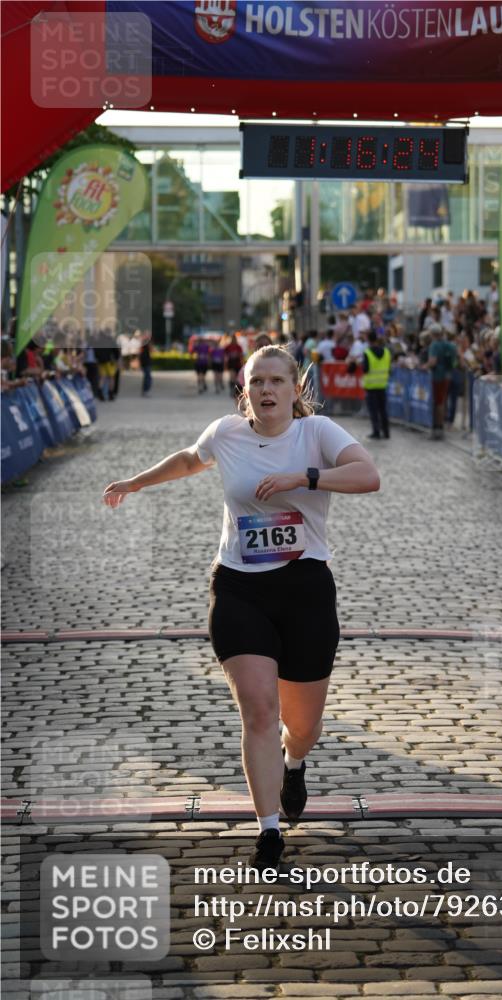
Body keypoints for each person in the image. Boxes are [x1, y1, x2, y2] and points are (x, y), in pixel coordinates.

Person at [102, 346, 380, 873]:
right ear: (245, 388)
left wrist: (306, 478)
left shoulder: (316, 435)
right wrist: (136, 482)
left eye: (277, 381)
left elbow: (369, 476)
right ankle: (268, 832)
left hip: (304, 592)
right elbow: (190, 459)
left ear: (295, 389)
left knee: (302, 727)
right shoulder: (227, 432)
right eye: (258, 382)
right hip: (239, 588)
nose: (267, 390)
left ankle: (294, 763)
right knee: (258, 711)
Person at [427, 324, 456, 440]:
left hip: (437, 377)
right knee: (442, 402)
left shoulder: (434, 345)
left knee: (438, 402)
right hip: (447, 376)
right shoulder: (449, 345)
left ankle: (438, 428)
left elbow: (432, 362)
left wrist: (425, 366)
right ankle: (440, 427)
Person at [362, 330, 392, 440]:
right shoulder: (386, 352)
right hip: (383, 385)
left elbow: (365, 369)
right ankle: (386, 432)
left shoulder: (367, 353)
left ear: (368, 340)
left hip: (371, 387)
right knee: (383, 410)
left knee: (374, 411)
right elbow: (389, 368)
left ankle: (376, 432)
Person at [139, 332, 152, 397]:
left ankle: (145, 390)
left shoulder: (145, 344)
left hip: (146, 362)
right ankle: (145, 390)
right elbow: (142, 354)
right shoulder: (145, 344)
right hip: (145, 362)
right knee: (148, 377)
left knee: (147, 377)